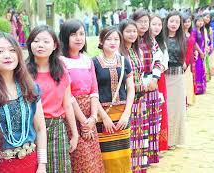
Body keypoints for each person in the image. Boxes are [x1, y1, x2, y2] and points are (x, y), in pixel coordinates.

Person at [0, 32, 47, 173]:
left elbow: (40, 128)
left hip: (31, 163)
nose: (7, 55)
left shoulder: (31, 88)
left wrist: (42, 165)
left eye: (12, 50)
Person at [26, 25, 79, 173]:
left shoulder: (61, 70)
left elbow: (67, 104)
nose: (40, 45)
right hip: (32, 129)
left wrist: (74, 134)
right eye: (36, 41)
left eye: (46, 41)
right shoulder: (22, 72)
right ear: (30, 44)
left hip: (57, 128)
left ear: (55, 45)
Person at [59, 19, 104, 172]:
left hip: (89, 116)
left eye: (81, 34)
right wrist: (84, 122)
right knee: (80, 159)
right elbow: (68, 94)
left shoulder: (87, 60)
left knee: (94, 159)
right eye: (73, 34)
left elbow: (94, 90)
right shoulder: (61, 62)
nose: (79, 38)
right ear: (65, 37)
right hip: (73, 116)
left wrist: (92, 117)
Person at [93, 26, 135, 173]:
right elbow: (92, 93)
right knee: (105, 156)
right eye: (109, 39)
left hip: (122, 114)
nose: (113, 42)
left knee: (124, 154)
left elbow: (131, 89)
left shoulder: (124, 62)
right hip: (101, 116)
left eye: (116, 39)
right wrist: (104, 117)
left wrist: (126, 114)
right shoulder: (94, 63)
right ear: (101, 41)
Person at [132, 10, 163, 164]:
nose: (143, 25)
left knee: (152, 121)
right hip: (137, 87)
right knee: (139, 122)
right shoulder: (130, 39)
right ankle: (139, 157)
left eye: (146, 21)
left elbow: (159, 60)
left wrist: (155, 78)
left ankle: (150, 155)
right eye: (140, 21)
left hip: (152, 83)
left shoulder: (151, 40)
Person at [119, 19, 148, 173]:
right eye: (128, 31)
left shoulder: (137, 51)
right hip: (126, 101)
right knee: (128, 137)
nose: (132, 34)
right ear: (121, 33)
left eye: (134, 31)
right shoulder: (119, 53)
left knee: (138, 135)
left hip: (139, 100)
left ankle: (138, 168)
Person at [163, 11, 187, 149]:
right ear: (167, 22)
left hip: (178, 78)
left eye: (177, 22)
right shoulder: (161, 39)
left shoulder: (182, 39)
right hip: (164, 78)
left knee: (178, 109)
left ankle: (174, 139)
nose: (174, 24)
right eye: (171, 21)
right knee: (166, 108)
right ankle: (165, 140)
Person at [150, 14, 170, 151]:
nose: (157, 27)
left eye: (159, 24)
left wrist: (160, 68)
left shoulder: (162, 43)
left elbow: (166, 61)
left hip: (160, 79)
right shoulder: (144, 43)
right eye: (154, 24)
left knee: (161, 109)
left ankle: (161, 143)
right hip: (148, 79)